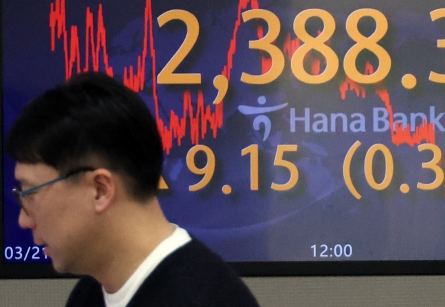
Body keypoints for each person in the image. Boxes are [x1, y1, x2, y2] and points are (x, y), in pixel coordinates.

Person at [8, 72, 260, 307]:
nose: (23, 220)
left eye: (30, 193)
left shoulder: (205, 299)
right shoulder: (90, 294)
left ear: (99, 190)